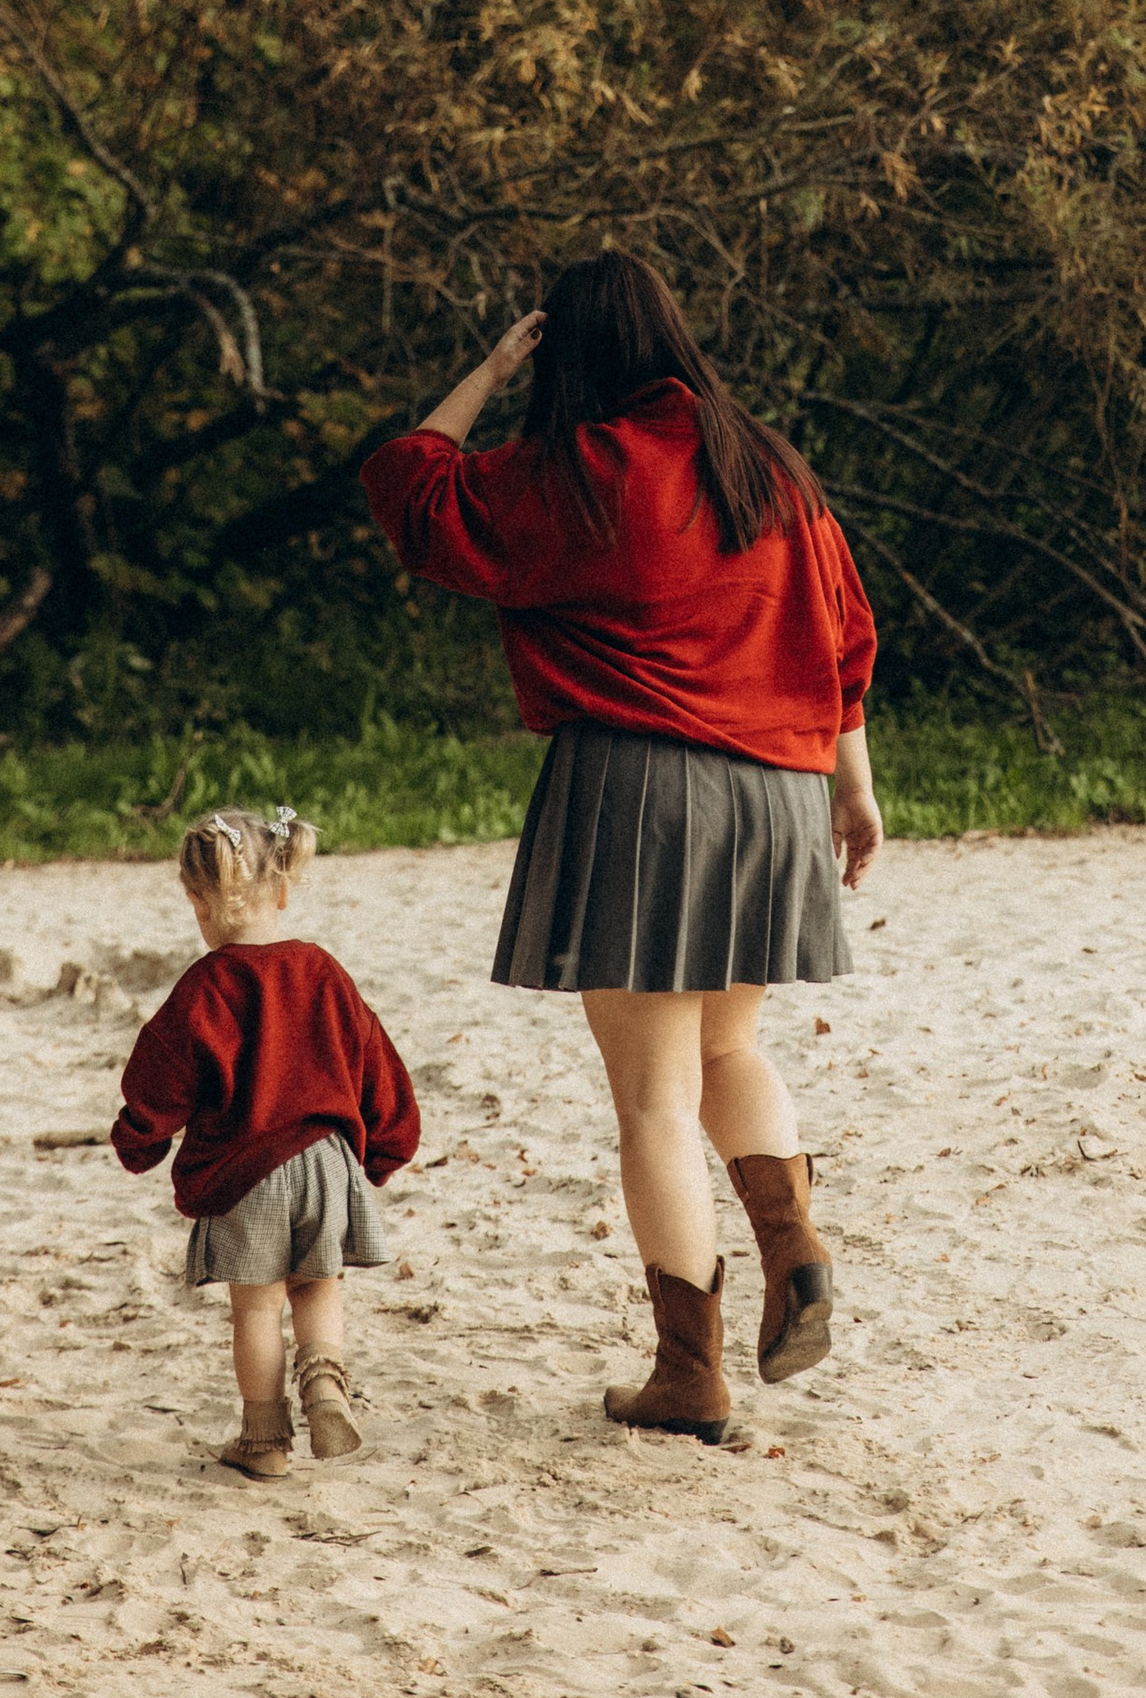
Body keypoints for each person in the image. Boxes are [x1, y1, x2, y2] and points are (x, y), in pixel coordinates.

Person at [363, 252, 882, 1446]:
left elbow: (409, 487)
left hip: (642, 789)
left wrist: (489, 374)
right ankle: (792, 1247)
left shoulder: (587, 471)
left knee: (653, 1098)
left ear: (572, 354)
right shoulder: (770, 468)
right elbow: (843, 638)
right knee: (730, 1044)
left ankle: (688, 1375)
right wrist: (854, 793)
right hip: (781, 794)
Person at [112, 805, 421, 1478]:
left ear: (200, 905)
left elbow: (160, 1078)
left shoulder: (202, 989)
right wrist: (388, 1144)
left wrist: (140, 1139)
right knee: (317, 1287)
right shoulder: (323, 971)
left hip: (245, 1171)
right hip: (325, 1161)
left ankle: (265, 1441)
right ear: (283, 891)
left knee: (255, 1306)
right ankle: (324, 1383)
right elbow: (375, 1060)